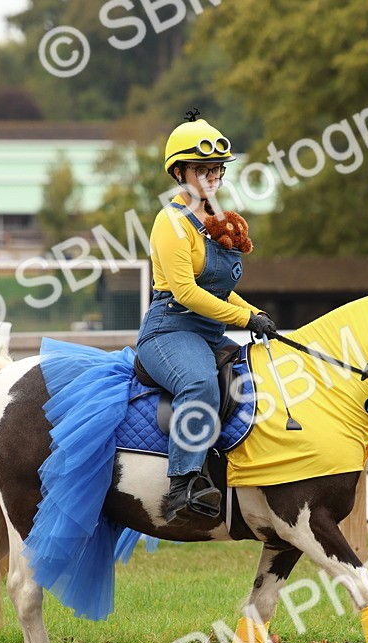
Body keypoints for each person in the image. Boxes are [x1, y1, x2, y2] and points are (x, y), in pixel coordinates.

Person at [136, 110, 276, 523]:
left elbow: (218, 289)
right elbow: (187, 292)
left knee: (261, 375)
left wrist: (256, 313)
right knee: (199, 382)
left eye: (217, 168)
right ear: (180, 172)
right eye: (203, 169)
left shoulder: (213, 220)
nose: (213, 176)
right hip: (170, 329)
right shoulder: (171, 222)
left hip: (210, 330)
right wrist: (243, 320)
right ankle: (183, 484)